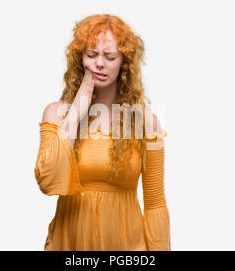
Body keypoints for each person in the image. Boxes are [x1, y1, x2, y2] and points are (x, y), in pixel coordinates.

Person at [34, 14, 170, 251]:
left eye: (109, 57)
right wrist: (75, 112)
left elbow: (155, 201)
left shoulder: (146, 123)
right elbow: (47, 182)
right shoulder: (55, 114)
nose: (99, 63)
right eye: (91, 54)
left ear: (123, 62)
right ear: (80, 58)